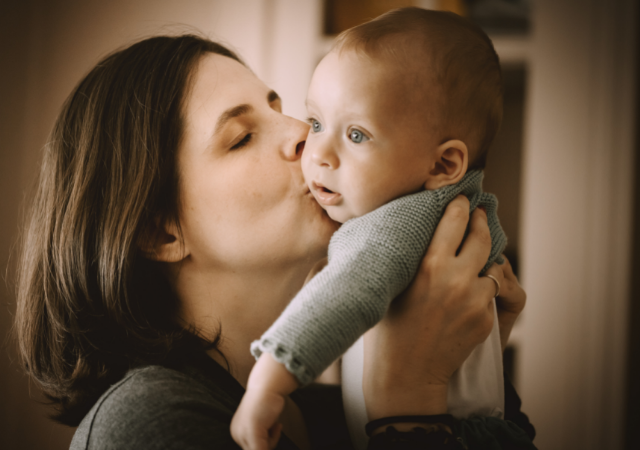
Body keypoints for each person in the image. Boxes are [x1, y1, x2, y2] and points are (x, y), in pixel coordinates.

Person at [14, 33, 532, 450]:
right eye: (241, 137)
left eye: (286, 110)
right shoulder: (147, 424)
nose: (303, 136)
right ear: (161, 231)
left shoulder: (330, 418)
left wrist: (477, 361)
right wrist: (407, 405)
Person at [232, 9, 523, 450]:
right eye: (316, 123)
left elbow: (344, 294)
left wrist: (269, 381)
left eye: (357, 135)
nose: (317, 153)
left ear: (444, 164)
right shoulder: (464, 208)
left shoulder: (397, 225)